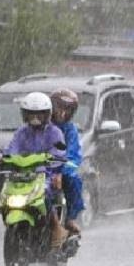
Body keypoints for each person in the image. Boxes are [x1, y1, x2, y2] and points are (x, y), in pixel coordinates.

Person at [5, 92, 67, 248]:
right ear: (24, 115)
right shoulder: (21, 132)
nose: (35, 118)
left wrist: (52, 160)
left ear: (47, 114)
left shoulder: (55, 132)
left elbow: (58, 152)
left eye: (39, 114)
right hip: (23, 176)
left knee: (44, 194)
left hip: (46, 176)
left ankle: (56, 228)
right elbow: (12, 148)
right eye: (31, 114)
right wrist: (2, 158)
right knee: (8, 194)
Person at [51, 88, 84, 234]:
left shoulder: (70, 130)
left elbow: (73, 153)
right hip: (42, 170)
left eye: (67, 109)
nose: (62, 112)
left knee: (74, 181)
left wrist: (61, 171)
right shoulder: (42, 127)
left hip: (62, 169)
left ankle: (69, 218)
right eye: (59, 107)